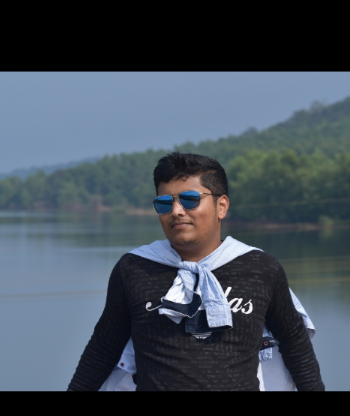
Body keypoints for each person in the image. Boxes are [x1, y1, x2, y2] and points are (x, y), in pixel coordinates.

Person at [68, 152, 324, 391]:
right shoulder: (134, 269)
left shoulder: (261, 268)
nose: (176, 211)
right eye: (165, 203)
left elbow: (295, 344)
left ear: (221, 206)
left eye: (190, 200)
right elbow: (103, 348)